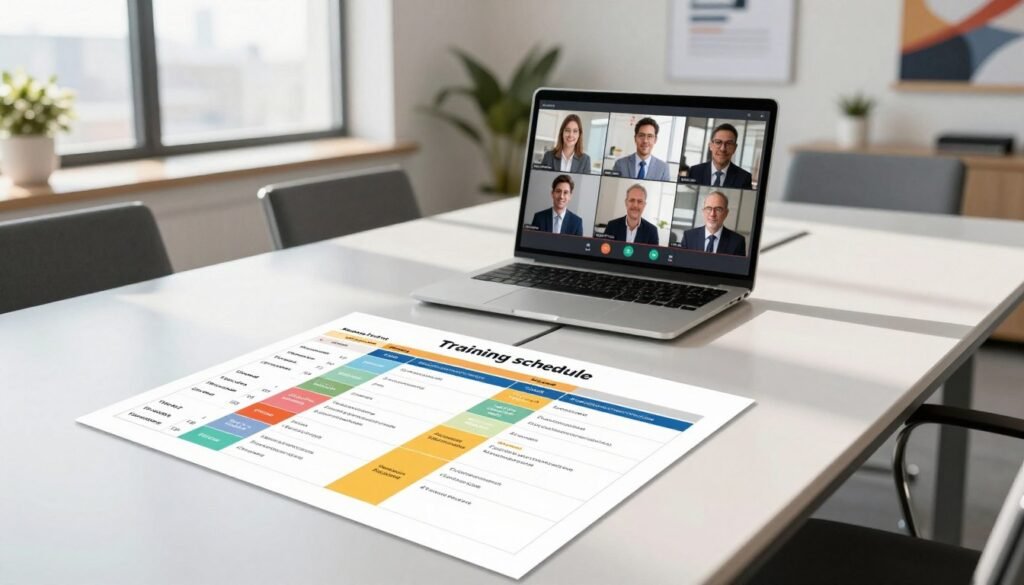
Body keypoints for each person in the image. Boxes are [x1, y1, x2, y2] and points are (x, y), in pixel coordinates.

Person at [688, 123, 754, 189]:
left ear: (735, 148)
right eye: (718, 142)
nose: (723, 149)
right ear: (710, 146)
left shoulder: (744, 178)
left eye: (729, 143)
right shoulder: (694, 172)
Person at [682, 191, 747, 256]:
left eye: (718, 209)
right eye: (708, 208)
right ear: (703, 211)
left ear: (726, 213)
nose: (712, 214)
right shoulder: (688, 237)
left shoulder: (737, 242)